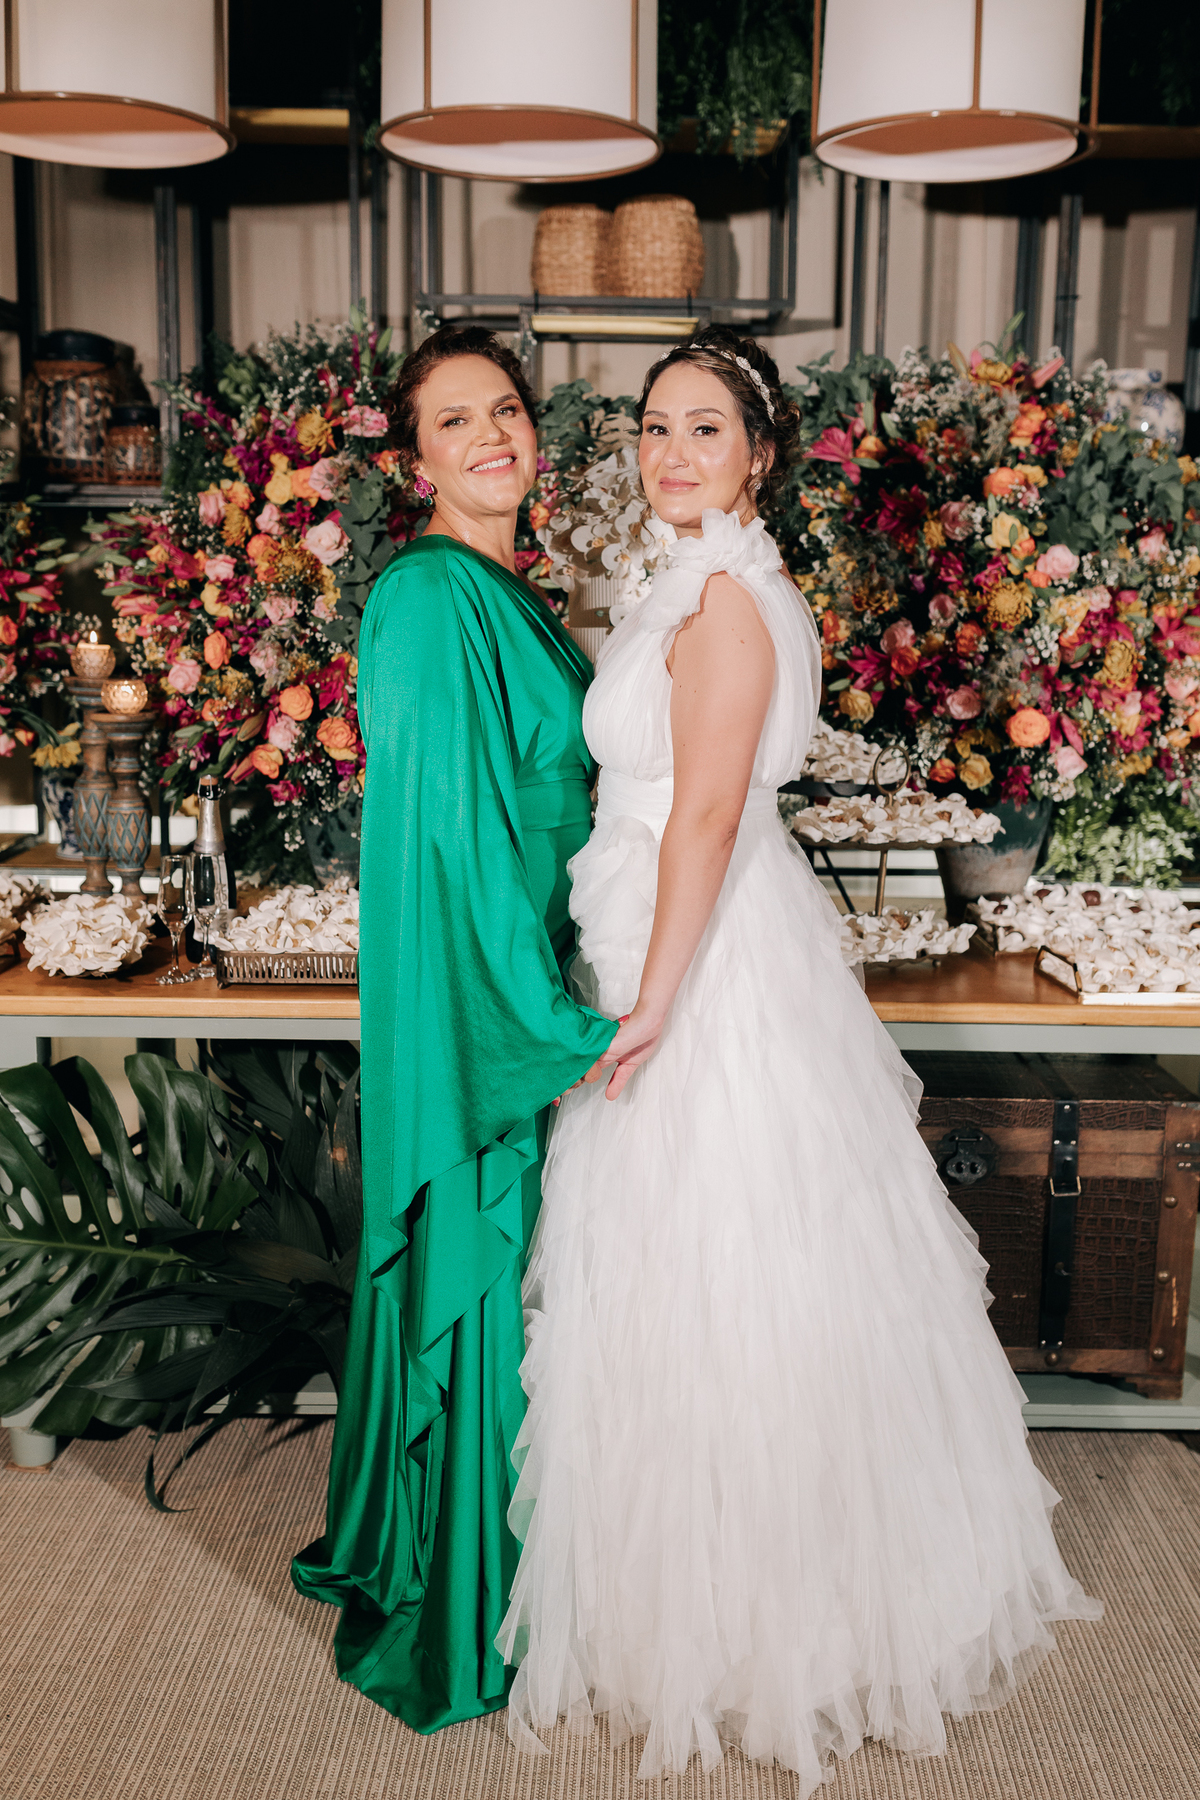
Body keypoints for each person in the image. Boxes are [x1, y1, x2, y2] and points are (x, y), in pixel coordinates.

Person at [496, 324, 1102, 1787]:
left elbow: (705, 814)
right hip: (660, 923)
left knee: (722, 1259)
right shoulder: (697, 578)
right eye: (654, 427)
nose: (671, 452)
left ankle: (765, 1627)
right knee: (682, 1264)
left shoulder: (727, 603)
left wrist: (652, 999)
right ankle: (691, 1599)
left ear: (758, 455)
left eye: (704, 428)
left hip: (697, 956)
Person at [292, 325, 617, 1731]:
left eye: (506, 411)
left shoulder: (506, 587)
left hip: (541, 953)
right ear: (414, 458)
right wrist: (544, 1021)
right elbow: (449, 839)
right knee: (493, 1257)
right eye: (454, 421)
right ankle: (468, 1595)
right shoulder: (430, 597)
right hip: (489, 988)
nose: (491, 436)